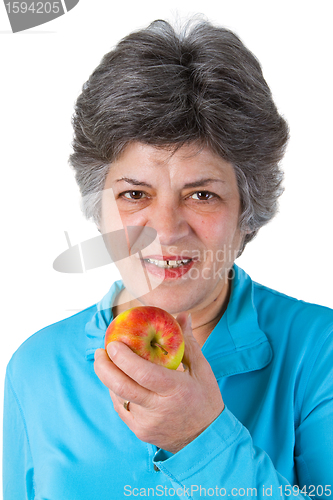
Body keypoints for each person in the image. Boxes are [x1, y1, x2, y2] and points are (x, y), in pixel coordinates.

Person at [3, 18, 333, 500]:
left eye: (201, 194)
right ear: (100, 209)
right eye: (135, 194)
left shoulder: (318, 353)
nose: (167, 229)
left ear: (249, 210)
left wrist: (200, 438)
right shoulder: (37, 369)